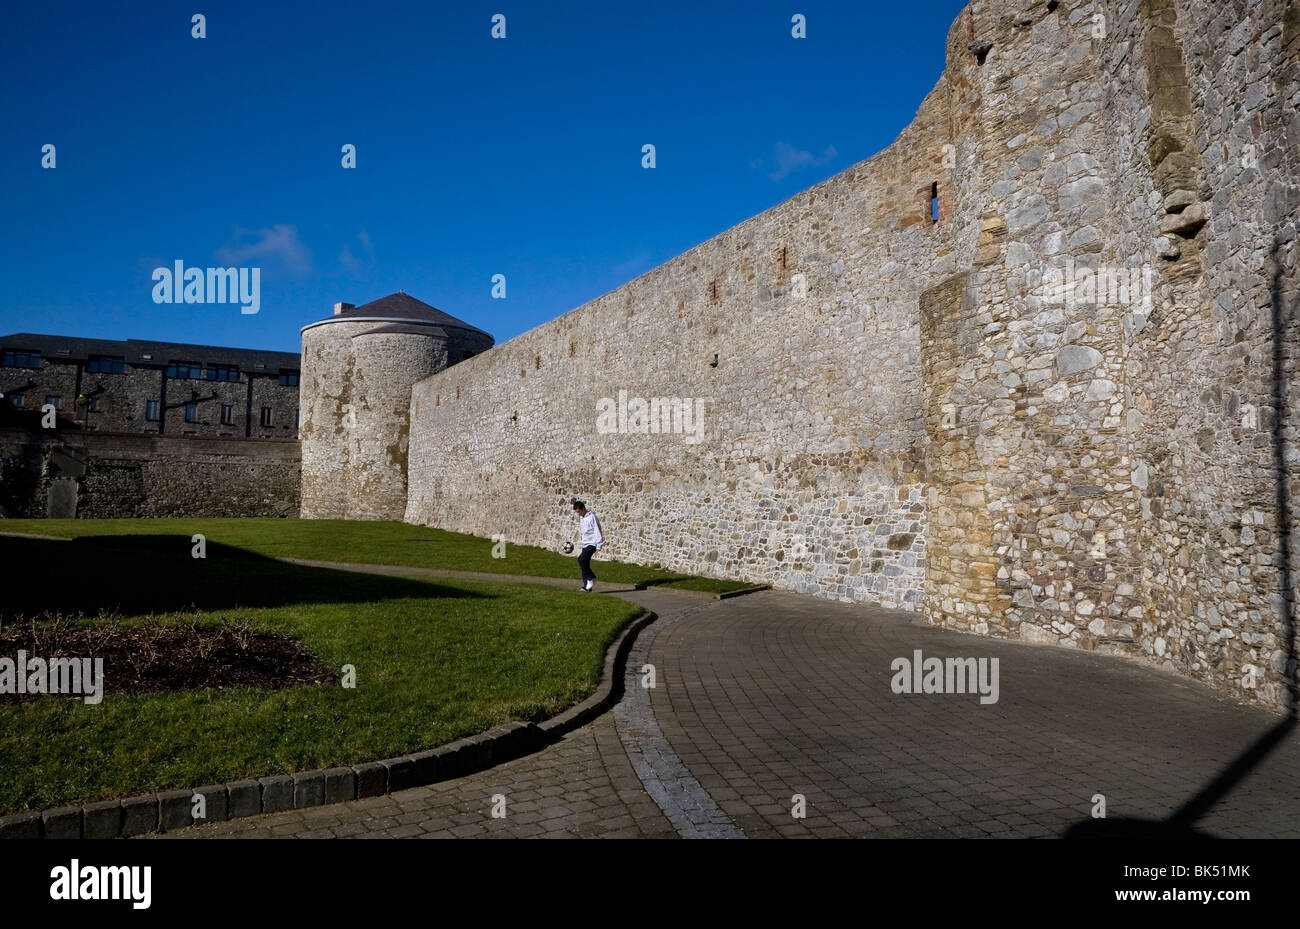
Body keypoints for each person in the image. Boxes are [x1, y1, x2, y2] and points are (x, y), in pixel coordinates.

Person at [571, 498, 604, 591]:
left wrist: (599, 545)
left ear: (583, 508)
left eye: (579, 511)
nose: (578, 514)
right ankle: (586, 586)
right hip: (585, 544)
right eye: (577, 512)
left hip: (592, 544)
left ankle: (591, 578)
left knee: (581, 560)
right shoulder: (582, 518)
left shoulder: (592, 517)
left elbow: (597, 530)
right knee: (583, 562)